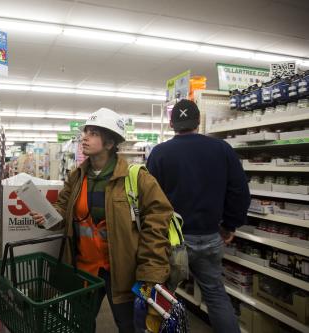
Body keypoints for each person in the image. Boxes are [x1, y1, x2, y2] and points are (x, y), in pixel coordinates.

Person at [30, 108, 174, 333]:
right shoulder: (77, 177)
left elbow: (157, 224)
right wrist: (46, 217)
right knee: (81, 324)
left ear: (109, 143)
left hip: (124, 271)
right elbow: (62, 210)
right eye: (85, 132)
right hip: (85, 268)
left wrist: (151, 273)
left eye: (93, 133)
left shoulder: (137, 178)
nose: (84, 137)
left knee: (129, 325)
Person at [146, 99, 250, 333]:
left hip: (172, 241)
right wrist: (230, 225)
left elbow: (148, 200)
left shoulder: (160, 153)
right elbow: (240, 192)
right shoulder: (221, 149)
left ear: (172, 124)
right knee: (215, 294)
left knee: (162, 295)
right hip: (210, 236)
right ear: (199, 121)